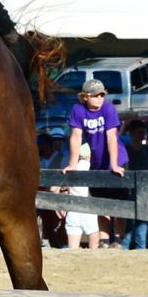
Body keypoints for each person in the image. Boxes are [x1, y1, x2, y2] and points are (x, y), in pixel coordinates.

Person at [64, 78, 127, 246]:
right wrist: (73, 164)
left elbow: (111, 136)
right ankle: (105, 241)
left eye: (102, 95)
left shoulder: (108, 108)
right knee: (101, 204)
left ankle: (119, 240)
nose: (100, 98)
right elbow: (76, 136)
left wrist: (114, 164)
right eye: (96, 95)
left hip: (118, 159)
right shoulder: (78, 110)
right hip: (97, 162)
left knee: (120, 203)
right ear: (85, 97)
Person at [121, 118, 148, 251]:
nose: (142, 135)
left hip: (145, 195)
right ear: (131, 133)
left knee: (142, 232)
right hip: (129, 194)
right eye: (139, 132)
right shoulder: (125, 152)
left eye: (144, 132)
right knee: (126, 232)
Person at [60, 143, 101, 250]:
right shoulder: (92, 169)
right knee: (94, 244)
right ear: (89, 156)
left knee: (73, 249)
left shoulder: (71, 169)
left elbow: (60, 187)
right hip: (89, 210)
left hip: (73, 210)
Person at [37, 132, 67, 247]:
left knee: (58, 226)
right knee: (46, 225)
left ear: (46, 145)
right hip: (42, 197)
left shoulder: (62, 158)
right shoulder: (40, 160)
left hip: (57, 198)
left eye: (39, 145)